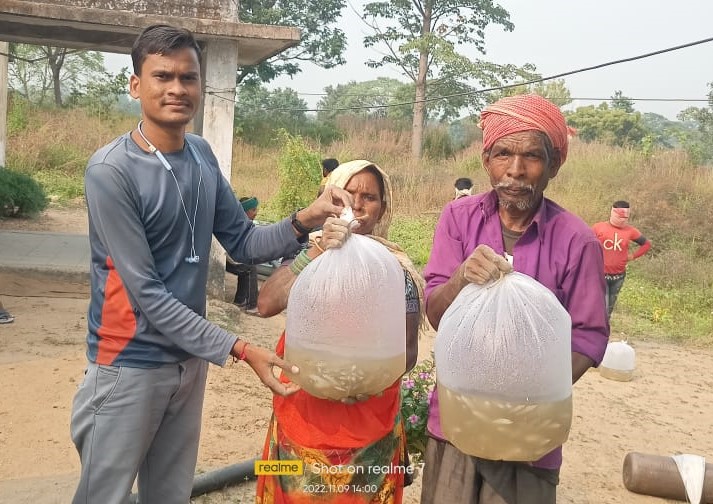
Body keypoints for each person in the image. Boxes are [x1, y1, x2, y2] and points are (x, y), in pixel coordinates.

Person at [70, 24, 352, 504]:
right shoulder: (110, 171)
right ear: (136, 85)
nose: (177, 89)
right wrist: (240, 348)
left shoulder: (201, 155)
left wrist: (307, 217)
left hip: (187, 364)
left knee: (169, 493)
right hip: (129, 364)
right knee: (105, 496)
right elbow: (150, 296)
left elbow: (242, 241)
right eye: (162, 77)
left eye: (188, 77)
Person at [420, 94, 609, 504]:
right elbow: (436, 312)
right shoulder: (459, 219)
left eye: (532, 156)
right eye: (503, 153)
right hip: (456, 423)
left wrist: (528, 399)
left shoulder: (577, 241)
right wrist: (459, 279)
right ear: (487, 160)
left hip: (530, 442)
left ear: (554, 164)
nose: (516, 171)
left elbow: (588, 337)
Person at [255, 160, 426, 504]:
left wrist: (364, 383)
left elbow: (407, 351)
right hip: (306, 414)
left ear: (382, 209)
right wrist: (317, 251)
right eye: (348, 193)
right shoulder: (312, 254)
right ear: (328, 199)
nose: (358, 204)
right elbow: (266, 304)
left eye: (370, 197)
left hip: (369, 420)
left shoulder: (395, 269)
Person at [592, 200, 651, 318]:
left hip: (618, 277)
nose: (622, 220)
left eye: (625, 217)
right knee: (601, 308)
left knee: (608, 309)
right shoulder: (598, 227)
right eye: (620, 216)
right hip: (600, 275)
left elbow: (646, 244)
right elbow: (586, 243)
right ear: (612, 213)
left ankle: (604, 333)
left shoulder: (630, 231)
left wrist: (632, 256)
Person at [226, 196, 260, 314]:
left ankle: (240, 300)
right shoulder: (239, 224)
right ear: (245, 211)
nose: (256, 213)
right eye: (254, 210)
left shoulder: (243, 223)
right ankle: (252, 305)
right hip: (226, 259)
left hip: (230, 257)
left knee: (248, 265)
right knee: (250, 268)